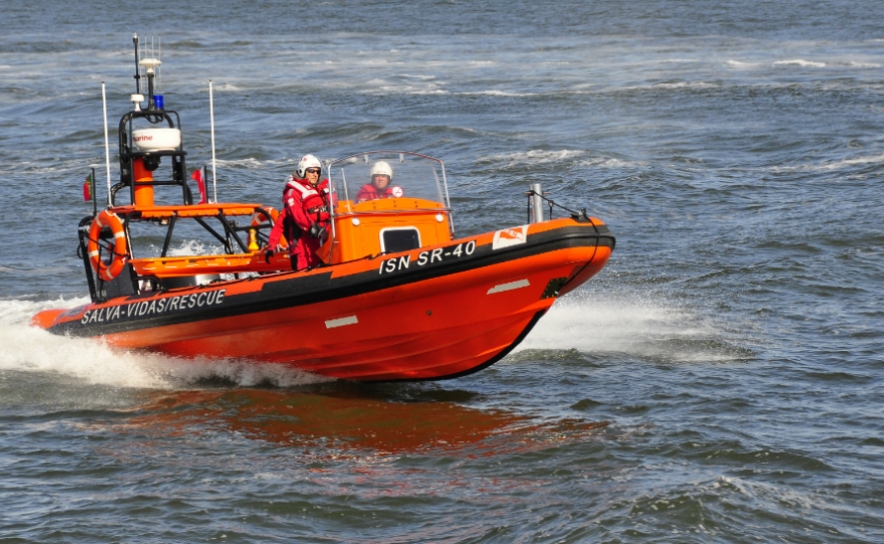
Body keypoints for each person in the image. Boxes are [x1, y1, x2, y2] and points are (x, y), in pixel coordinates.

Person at [265, 154, 330, 271]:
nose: (315, 174)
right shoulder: (294, 192)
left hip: (325, 240)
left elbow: (335, 208)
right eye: (311, 171)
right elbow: (291, 217)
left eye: (317, 171)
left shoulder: (324, 189)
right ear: (303, 171)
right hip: (304, 245)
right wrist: (272, 246)